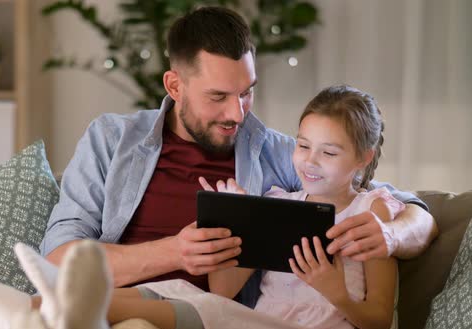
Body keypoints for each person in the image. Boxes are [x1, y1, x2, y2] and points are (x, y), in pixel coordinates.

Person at [39, 5, 436, 307]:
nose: (237, 113)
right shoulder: (111, 138)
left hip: (207, 319)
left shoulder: (274, 153)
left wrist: (393, 234)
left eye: (246, 91)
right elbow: (58, 260)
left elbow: (404, 205)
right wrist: (175, 252)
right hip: (106, 310)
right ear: (175, 85)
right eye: (218, 96)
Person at [0, 85, 404, 329]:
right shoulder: (278, 202)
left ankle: (44, 307)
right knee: (185, 292)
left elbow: (380, 321)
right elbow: (223, 288)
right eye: (303, 145)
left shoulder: (372, 218)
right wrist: (236, 221)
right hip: (254, 325)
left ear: (363, 158)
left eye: (328, 153)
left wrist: (333, 288)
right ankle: (41, 308)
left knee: (204, 309)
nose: (308, 161)